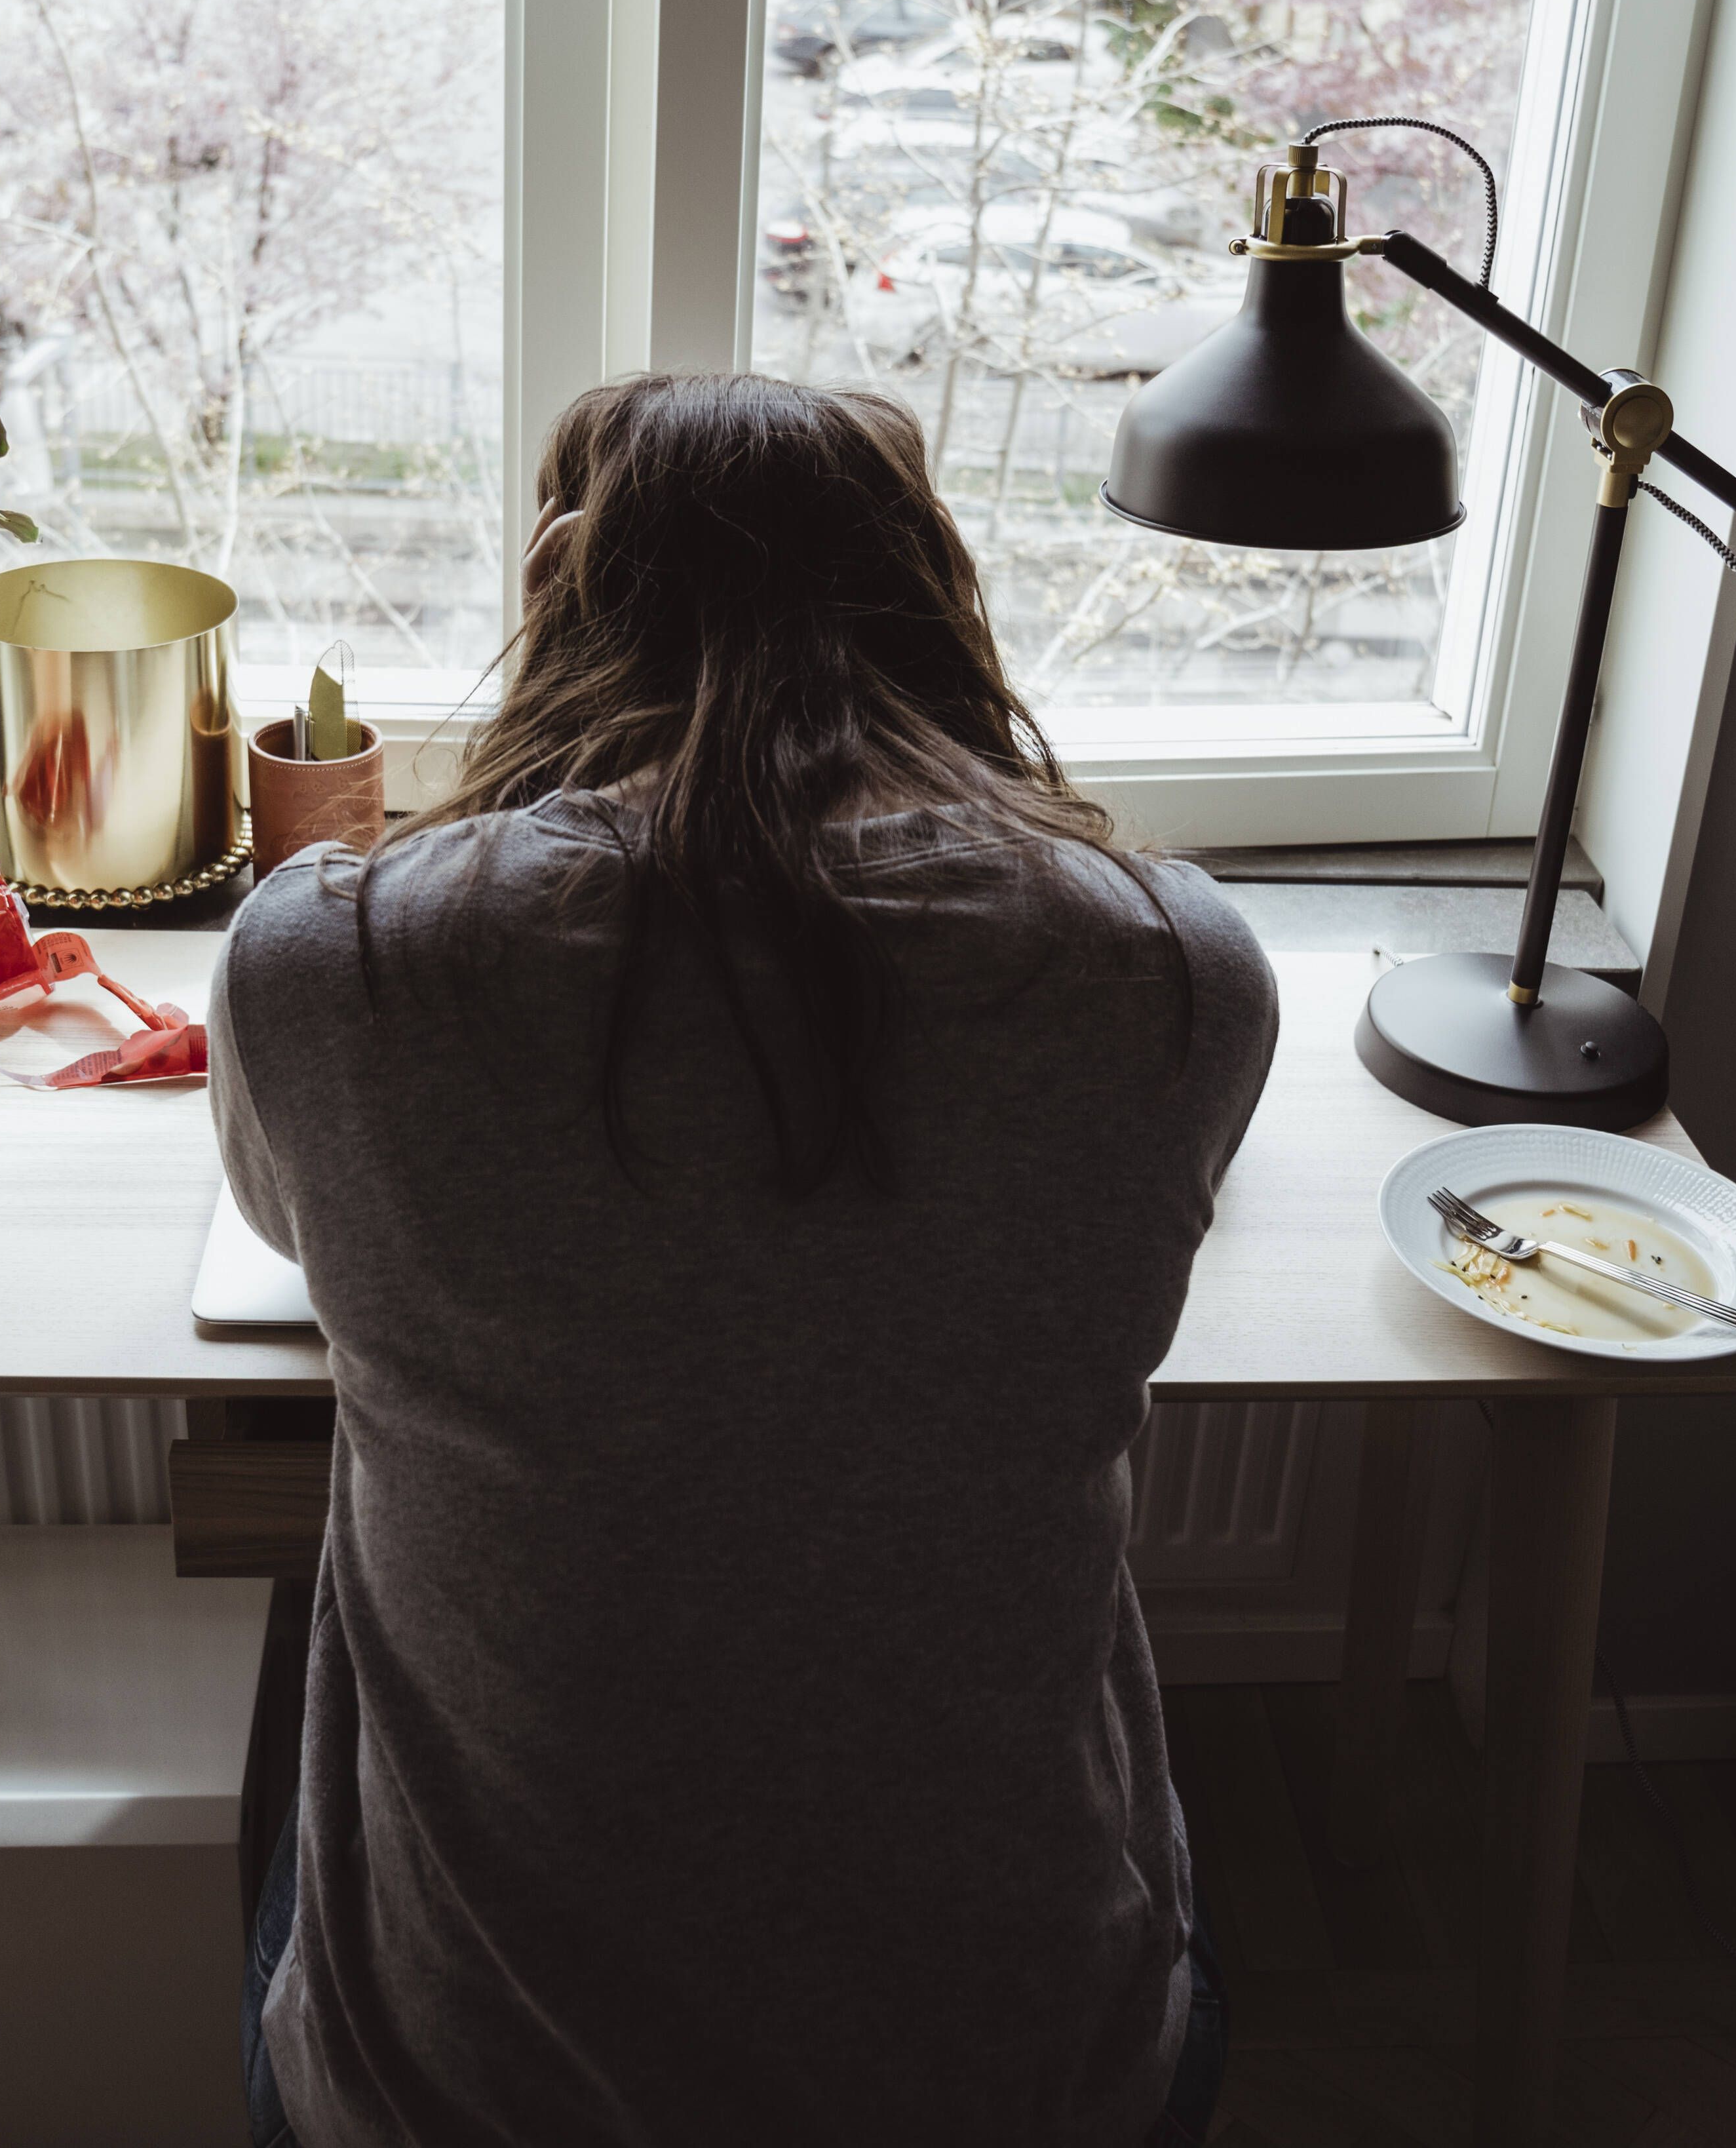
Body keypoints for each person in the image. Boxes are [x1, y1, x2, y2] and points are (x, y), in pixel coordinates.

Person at [209, 372, 1279, 2147]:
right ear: (936, 595)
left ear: (558, 581)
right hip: (1033, 2086)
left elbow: (279, 1219)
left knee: (287, 1743)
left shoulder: (333, 972)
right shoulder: (1178, 969)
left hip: (460, 2107)